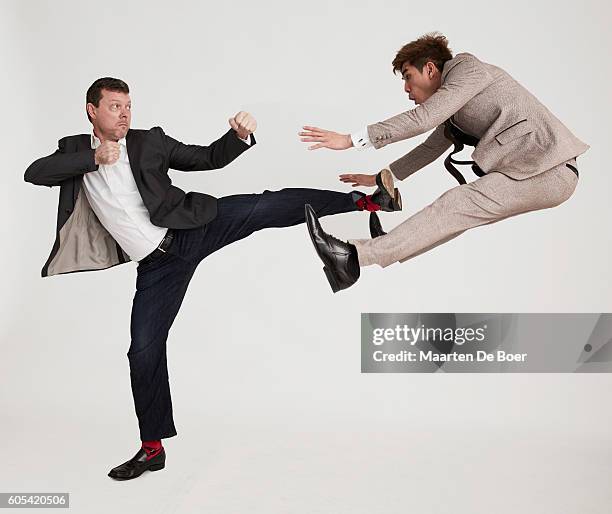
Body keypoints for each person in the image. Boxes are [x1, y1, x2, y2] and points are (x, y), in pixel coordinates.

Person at [24, 77, 402, 480]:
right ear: (92, 110)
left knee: (265, 206)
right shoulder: (73, 151)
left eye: (129, 106)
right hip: (157, 268)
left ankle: (366, 200)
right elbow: (35, 173)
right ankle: (152, 449)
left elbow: (206, 158)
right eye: (115, 106)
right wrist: (94, 158)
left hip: (193, 227)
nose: (125, 114)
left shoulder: (149, 141)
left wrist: (237, 138)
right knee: (143, 351)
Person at [298, 33, 589, 292]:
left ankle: (353, 257)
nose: (406, 89)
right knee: (457, 213)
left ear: (430, 68)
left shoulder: (466, 69)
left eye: (407, 76)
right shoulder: (455, 107)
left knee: (457, 205)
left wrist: (350, 139)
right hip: (534, 170)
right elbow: (430, 148)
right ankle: (380, 249)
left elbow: (423, 120)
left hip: (549, 168)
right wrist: (380, 178)